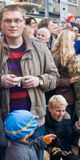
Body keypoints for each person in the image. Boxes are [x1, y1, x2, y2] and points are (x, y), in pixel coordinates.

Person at [0, 5, 59, 160]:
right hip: (4, 124)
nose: (13, 25)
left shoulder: (39, 48)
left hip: (34, 123)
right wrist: (1, 81)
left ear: (23, 23)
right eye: (8, 20)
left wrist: (38, 80)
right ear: (1, 23)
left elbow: (54, 77)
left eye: (17, 20)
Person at [45, 95, 80, 160]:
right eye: (58, 111)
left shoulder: (66, 119)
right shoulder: (42, 121)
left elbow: (70, 139)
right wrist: (51, 150)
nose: (61, 114)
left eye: (63, 110)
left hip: (64, 150)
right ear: (50, 109)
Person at [51, 30, 79, 126]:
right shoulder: (56, 56)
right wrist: (68, 81)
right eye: (72, 40)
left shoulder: (69, 54)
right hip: (63, 94)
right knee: (65, 123)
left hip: (70, 93)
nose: (74, 42)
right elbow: (52, 78)